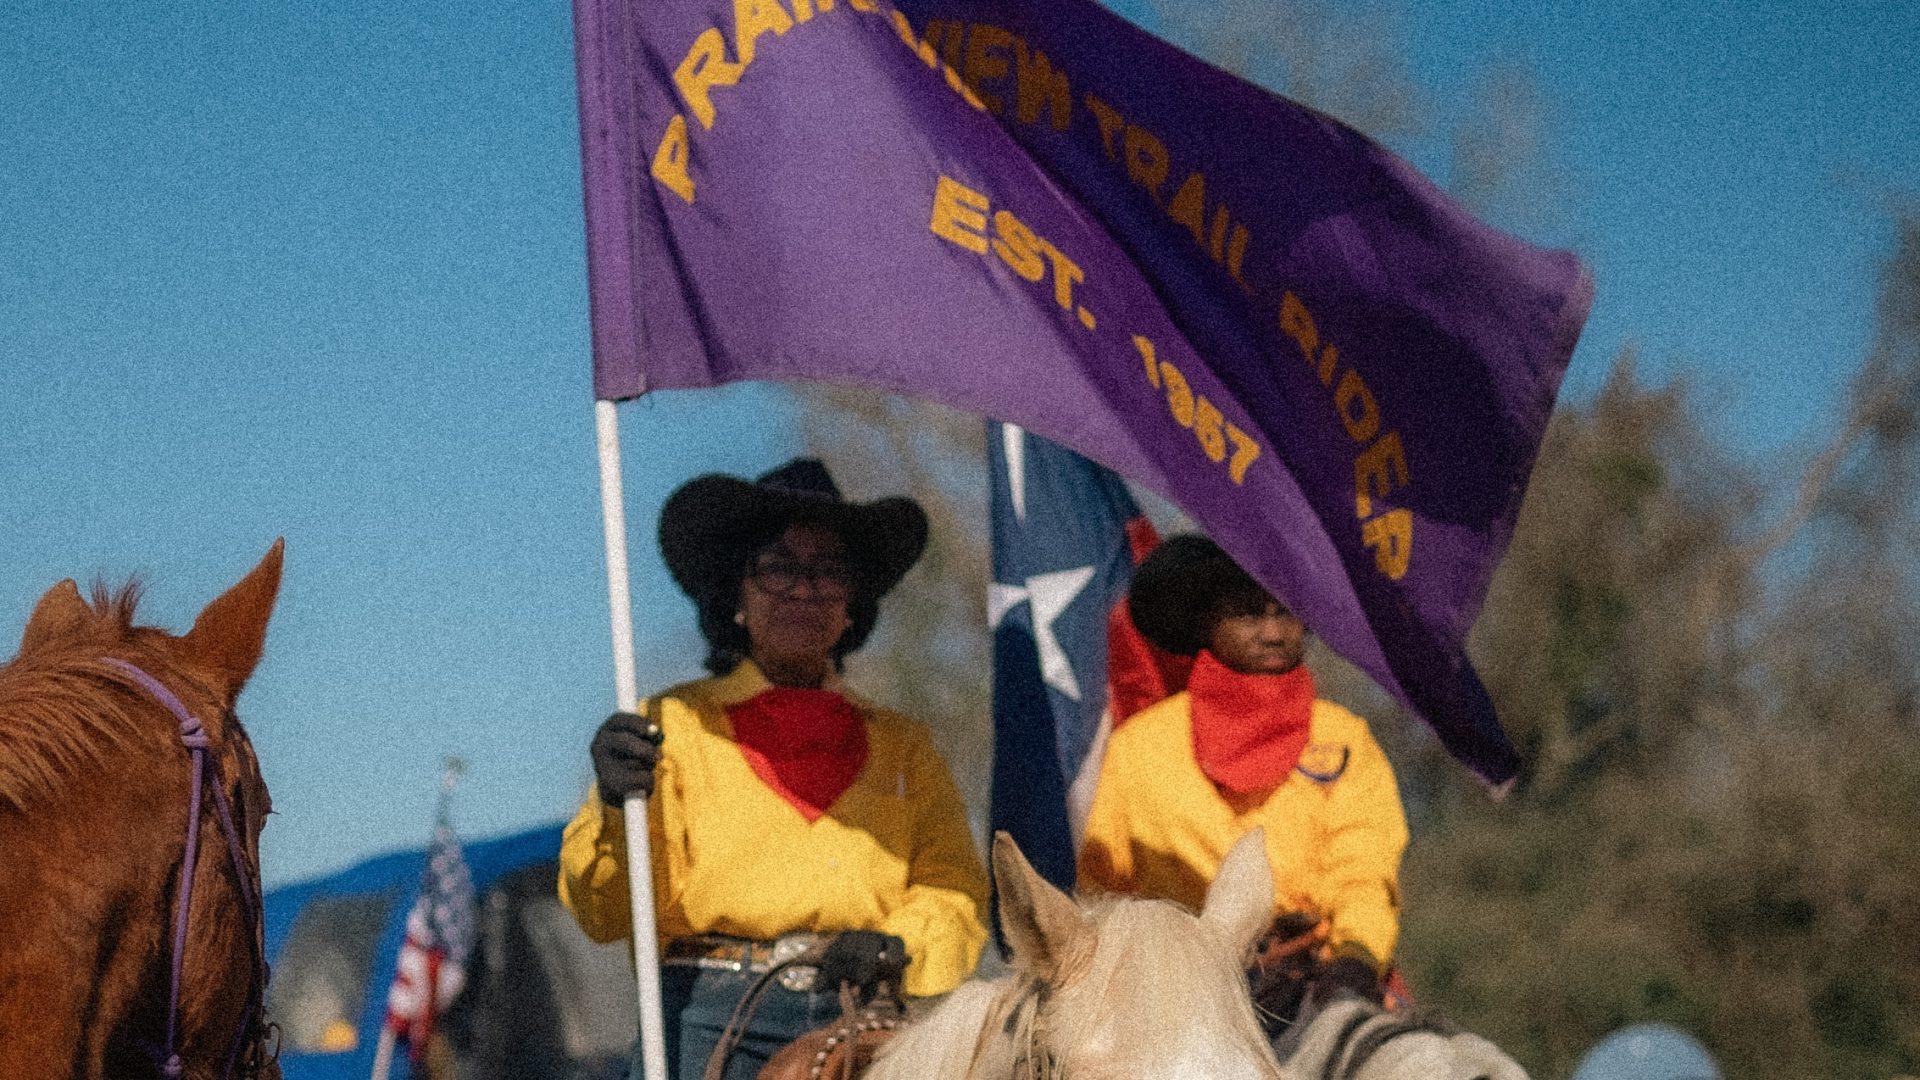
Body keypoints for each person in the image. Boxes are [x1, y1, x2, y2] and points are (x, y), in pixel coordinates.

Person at [559, 459, 989, 1080]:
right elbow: (604, 914)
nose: (804, 589)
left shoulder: (906, 747)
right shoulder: (669, 726)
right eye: (779, 567)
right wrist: (612, 801)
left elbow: (955, 892)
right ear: (736, 597)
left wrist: (900, 947)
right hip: (705, 1019)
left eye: (830, 572)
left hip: (862, 1016)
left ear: (852, 607)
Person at [1077, 534, 1410, 1029]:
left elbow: (1365, 868)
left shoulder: (1345, 738)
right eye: (1250, 614)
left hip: (1322, 985)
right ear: (1205, 622)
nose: (1274, 632)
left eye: (1287, 612)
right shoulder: (1139, 748)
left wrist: (1352, 961)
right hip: (1175, 999)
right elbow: (1103, 892)